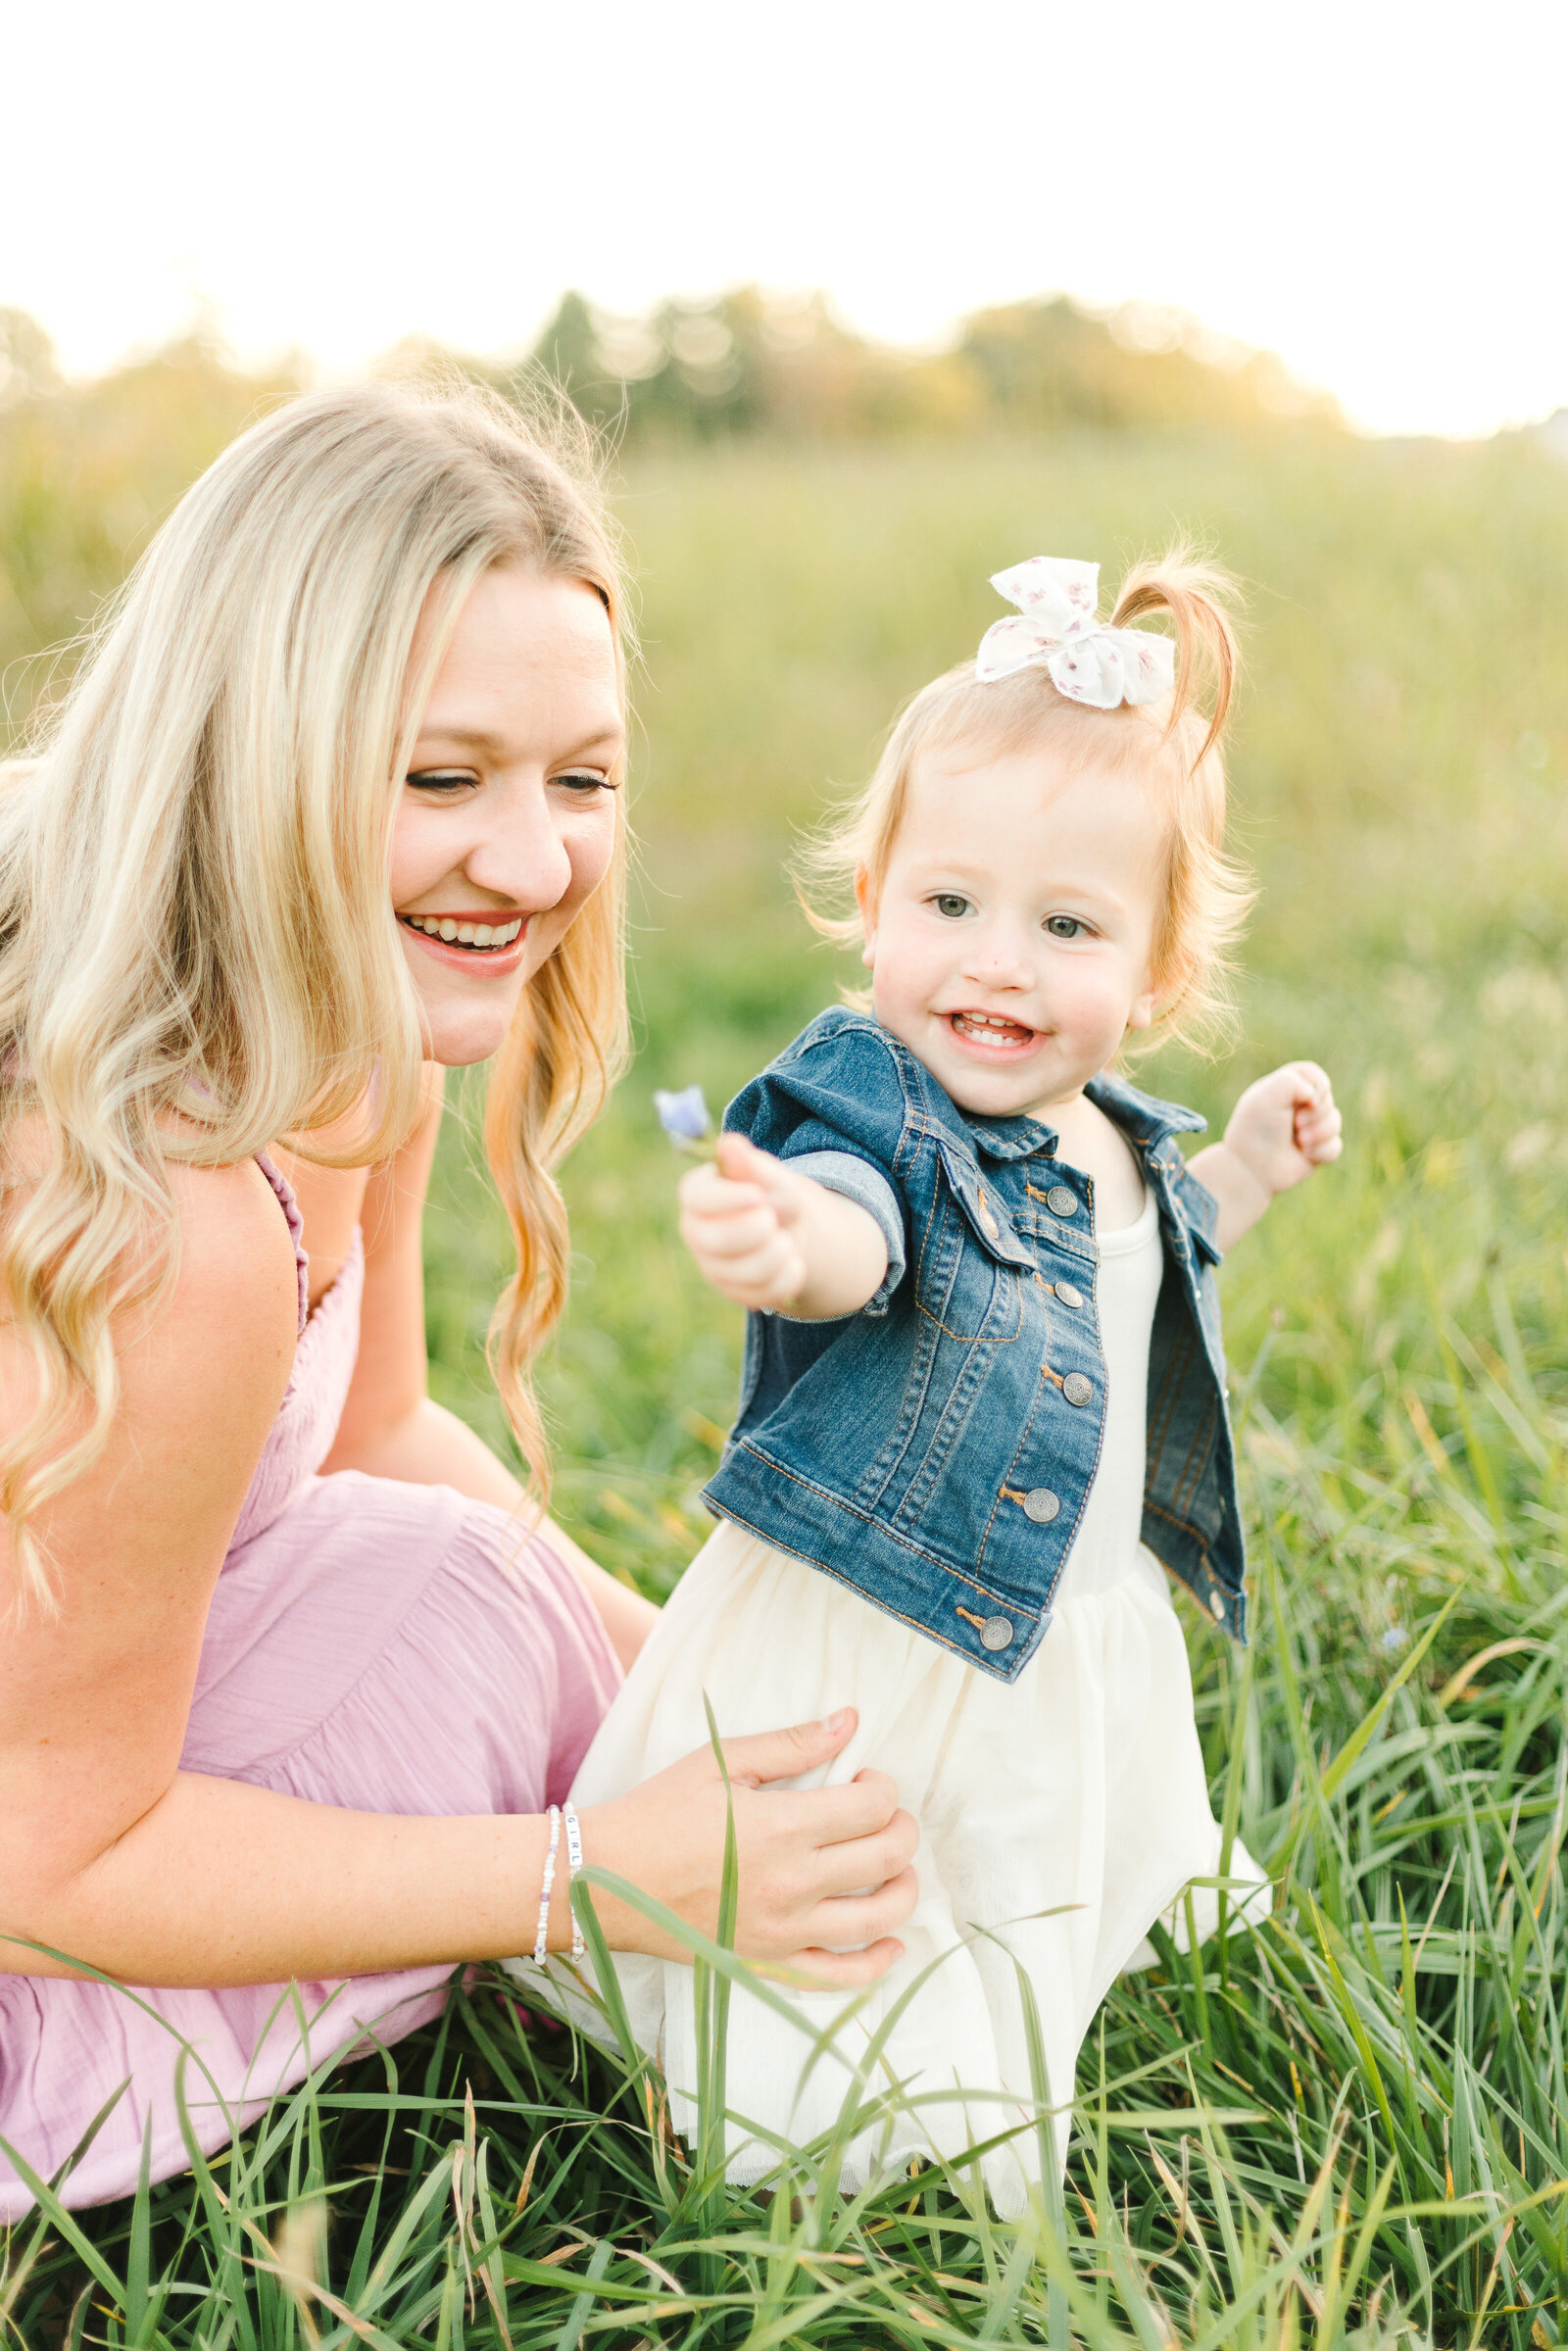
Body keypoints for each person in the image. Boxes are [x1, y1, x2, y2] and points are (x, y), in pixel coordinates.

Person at [0, 381, 920, 2219]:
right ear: (248, 752)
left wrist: (718, 1690)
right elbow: (40, 1860)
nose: (533, 863)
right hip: (38, 1892)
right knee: (467, 1616)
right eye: (442, 777)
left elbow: (374, 1432)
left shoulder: (348, 1033)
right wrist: (595, 1868)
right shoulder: (171, 1217)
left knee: (483, 1595)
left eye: (580, 778)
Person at [568, 554, 1344, 2209]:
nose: (995, 963)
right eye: (949, 906)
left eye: (1065, 926)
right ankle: (826, 2131)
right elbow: (868, 1241)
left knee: (1030, 1853)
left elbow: (1137, 1274)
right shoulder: (876, 1111)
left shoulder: (1116, 1138)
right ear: (873, 902)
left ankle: (1020, 2002)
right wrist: (797, 1244)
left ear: (1154, 974)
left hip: (1063, 1613)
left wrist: (1251, 1181)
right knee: (863, 1892)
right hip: (888, 1616)